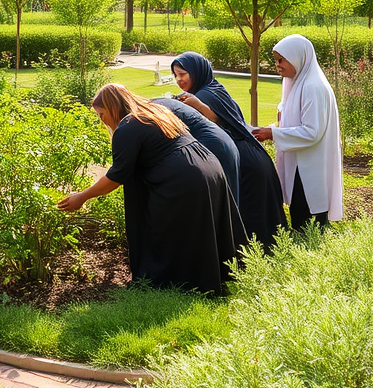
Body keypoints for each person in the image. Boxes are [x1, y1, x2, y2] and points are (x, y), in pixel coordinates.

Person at [58, 83, 244, 295]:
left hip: (185, 177)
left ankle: (182, 285)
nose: (102, 121)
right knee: (197, 228)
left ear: (112, 107)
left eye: (102, 114)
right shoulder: (155, 111)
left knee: (170, 229)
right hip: (208, 165)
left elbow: (116, 176)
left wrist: (82, 196)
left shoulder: (128, 126)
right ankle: (212, 277)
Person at [170, 52, 287, 249]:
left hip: (244, 162)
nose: (179, 80)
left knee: (250, 224)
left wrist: (197, 105)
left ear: (196, 72)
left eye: (182, 74)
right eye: (175, 75)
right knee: (263, 224)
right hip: (252, 154)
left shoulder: (204, 96)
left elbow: (216, 122)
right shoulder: (215, 88)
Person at [252, 35, 343, 231]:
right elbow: (292, 121)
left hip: (310, 168)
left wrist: (273, 134)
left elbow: (312, 132)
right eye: (276, 60)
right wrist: (271, 128)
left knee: (309, 223)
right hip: (301, 166)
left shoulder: (313, 87)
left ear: (297, 57)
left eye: (281, 60)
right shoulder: (297, 83)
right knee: (300, 215)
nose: (277, 65)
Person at [151, 96, 241, 205]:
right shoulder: (164, 104)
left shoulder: (152, 111)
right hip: (223, 143)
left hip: (211, 147)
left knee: (214, 204)